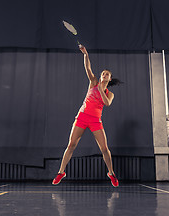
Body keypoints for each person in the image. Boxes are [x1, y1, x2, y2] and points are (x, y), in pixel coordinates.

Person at [52, 44, 121, 187]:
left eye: (106, 74)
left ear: (110, 78)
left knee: (104, 149)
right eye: (102, 73)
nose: (104, 75)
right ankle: (61, 172)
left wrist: (102, 88)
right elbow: (88, 68)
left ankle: (111, 173)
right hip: (82, 117)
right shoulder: (93, 82)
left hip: (96, 121)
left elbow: (107, 103)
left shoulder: (110, 93)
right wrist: (86, 54)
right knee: (71, 144)